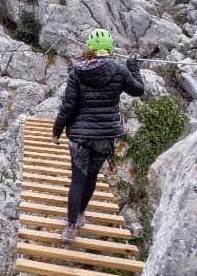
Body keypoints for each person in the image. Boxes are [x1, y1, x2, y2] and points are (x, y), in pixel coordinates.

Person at [52, 29, 144, 242]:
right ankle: (82, 214)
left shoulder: (77, 72)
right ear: (110, 49)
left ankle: (71, 228)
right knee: (92, 176)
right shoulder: (120, 71)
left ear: (89, 48)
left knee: (78, 179)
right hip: (104, 136)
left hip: (80, 137)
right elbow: (138, 90)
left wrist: (57, 130)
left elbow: (68, 106)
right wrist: (134, 68)